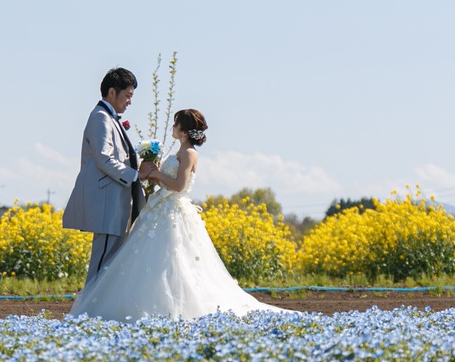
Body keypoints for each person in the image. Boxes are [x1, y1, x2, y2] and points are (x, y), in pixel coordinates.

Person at [67, 109, 292, 322]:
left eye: (176, 124)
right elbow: (166, 180)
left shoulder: (189, 153)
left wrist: (156, 174)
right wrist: (152, 173)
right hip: (161, 207)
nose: (173, 127)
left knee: (173, 259)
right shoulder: (178, 152)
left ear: (184, 132)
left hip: (174, 211)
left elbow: (179, 185)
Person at [63, 67, 151, 286]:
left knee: (109, 264)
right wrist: (135, 175)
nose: (130, 101)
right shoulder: (101, 118)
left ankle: (97, 312)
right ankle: (87, 311)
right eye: (128, 95)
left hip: (115, 202)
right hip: (106, 203)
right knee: (102, 264)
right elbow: (104, 159)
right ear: (112, 92)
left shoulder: (109, 118)